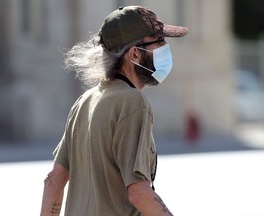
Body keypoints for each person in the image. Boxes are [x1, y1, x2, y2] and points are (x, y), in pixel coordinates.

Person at [40, 5, 188, 216]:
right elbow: (139, 192)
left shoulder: (84, 101)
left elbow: (54, 181)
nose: (166, 49)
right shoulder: (134, 103)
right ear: (135, 54)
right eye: (159, 42)